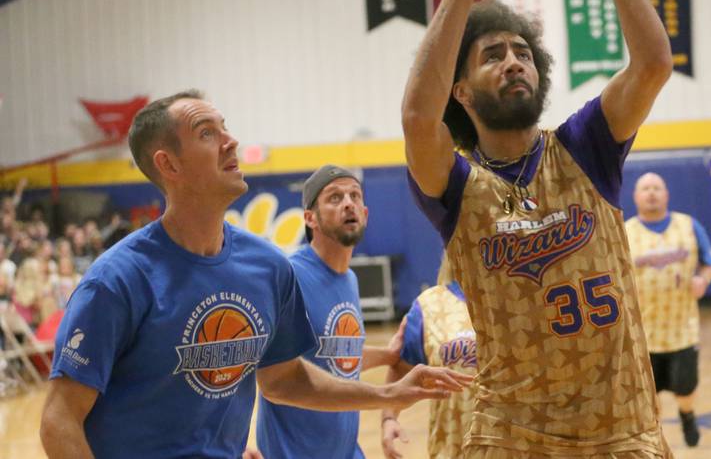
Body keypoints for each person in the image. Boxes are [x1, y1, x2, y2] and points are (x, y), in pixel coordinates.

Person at [39, 91, 472, 459]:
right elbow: (59, 419)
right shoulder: (116, 280)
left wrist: (388, 394)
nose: (231, 142)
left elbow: (284, 380)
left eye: (225, 127)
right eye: (207, 133)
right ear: (168, 165)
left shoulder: (266, 267)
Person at [400, 0, 674, 456]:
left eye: (523, 52)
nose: (513, 61)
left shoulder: (585, 147)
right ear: (462, 90)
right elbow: (415, 119)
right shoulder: (455, 184)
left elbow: (652, 64)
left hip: (622, 431)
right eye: (493, 55)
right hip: (509, 435)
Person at [256, 164, 407, 459]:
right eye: (335, 198)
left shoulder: (349, 279)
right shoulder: (290, 276)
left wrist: (388, 355)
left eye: (355, 196)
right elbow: (273, 372)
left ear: (365, 213)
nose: (349, 202)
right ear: (310, 218)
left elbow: (334, 358)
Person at [625, 172, 711, 448]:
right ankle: (655, 438)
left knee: (685, 387)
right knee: (648, 396)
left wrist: (703, 279)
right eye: (645, 188)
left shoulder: (688, 226)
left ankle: (687, 414)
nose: (651, 192)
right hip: (643, 333)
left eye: (657, 187)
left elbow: (710, 262)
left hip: (682, 328)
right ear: (636, 196)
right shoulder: (625, 231)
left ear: (666, 194)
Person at [381, 254, 477, 459]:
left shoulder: (521, 297)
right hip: (451, 449)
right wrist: (389, 418)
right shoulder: (430, 305)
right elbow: (402, 369)